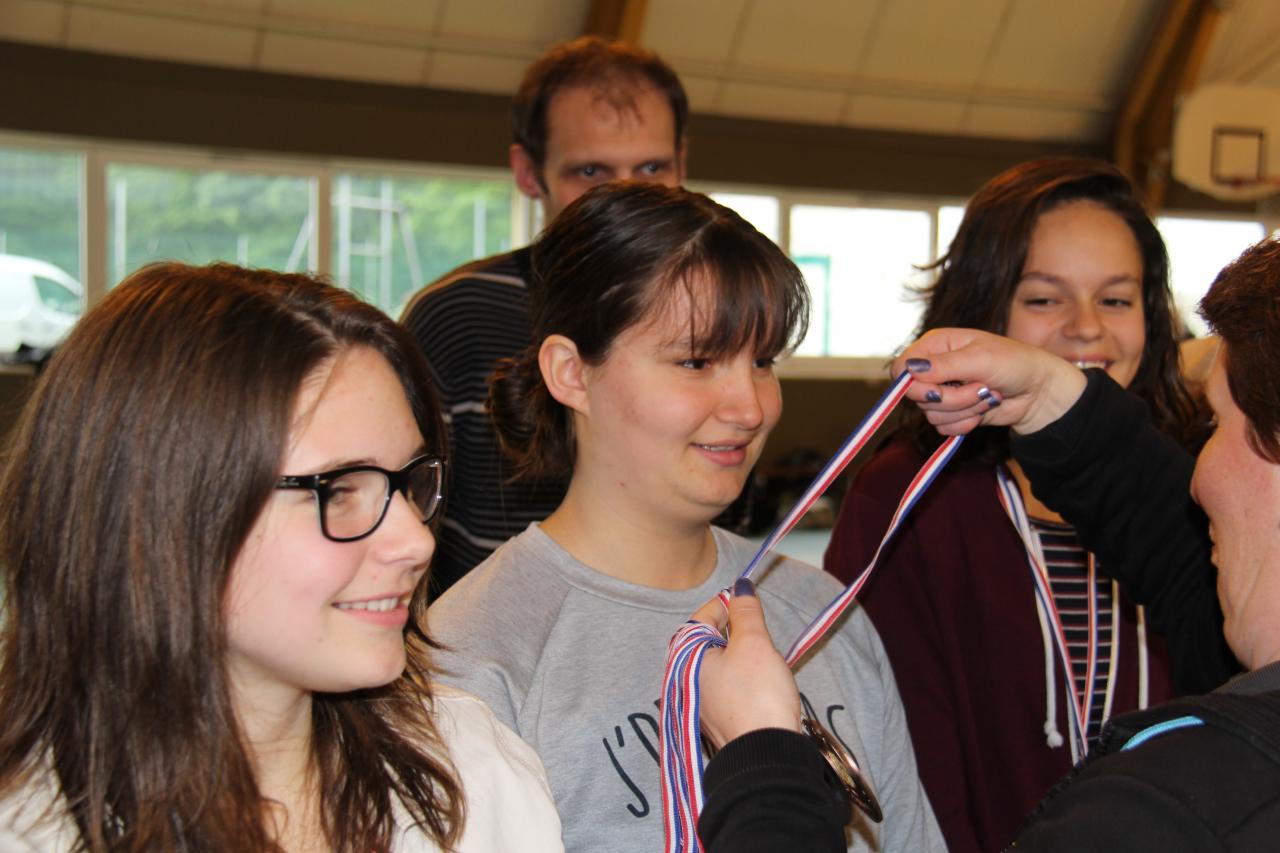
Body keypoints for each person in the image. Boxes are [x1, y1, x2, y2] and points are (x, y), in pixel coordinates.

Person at [0, 262, 838, 852]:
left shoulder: (463, 766)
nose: (413, 540)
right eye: (341, 489)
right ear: (161, 512)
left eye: (407, 482)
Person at [427, 182, 945, 853]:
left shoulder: (823, 613)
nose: (751, 406)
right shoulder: (475, 656)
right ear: (572, 373)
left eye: (762, 361)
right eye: (696, 360)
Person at [823, 157, 1202, 853]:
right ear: (984, 308)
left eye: (1117, 299)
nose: (1087, 329)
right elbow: (903, 748)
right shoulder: (909, 497)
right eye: (1044, 298)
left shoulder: (1201, 491)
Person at [890, 238, 1280, 851]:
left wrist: (767, 776)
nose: (1196, 482)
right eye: (1045, 297)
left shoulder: (1171, 808)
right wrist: (1050, 397)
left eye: (1217, 425)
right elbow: (1177, 557)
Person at [400, 36, 688, 595]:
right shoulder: (455, 316)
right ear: (528, 172)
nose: (627, 196)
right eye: (591, 172)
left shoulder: (713, 318)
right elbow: (405, 517)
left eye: (653, 165)